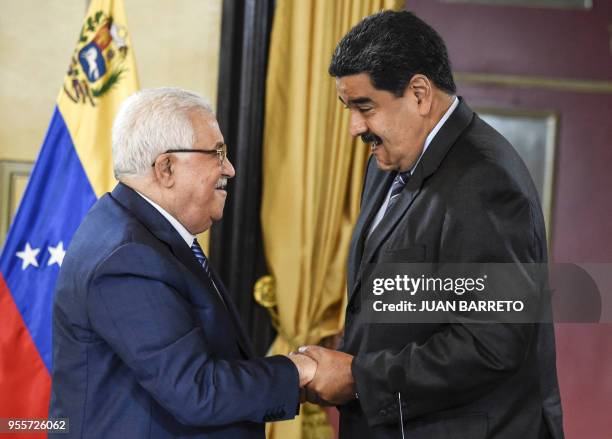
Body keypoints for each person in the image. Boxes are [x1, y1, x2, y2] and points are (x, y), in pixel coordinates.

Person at [298, 11, 564, 439]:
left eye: (365, 107)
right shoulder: (386, 162)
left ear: (420, 93)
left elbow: (491, 344)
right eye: (348, 108)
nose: (354, 128)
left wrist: (358, 377)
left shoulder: (485, 181)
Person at [49, 87, 316, 438]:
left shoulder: (141, 232)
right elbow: (196, 390)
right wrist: (300, 372)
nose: (230, 169)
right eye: (217, 153)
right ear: (166, 167)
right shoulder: (128, 256)